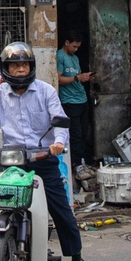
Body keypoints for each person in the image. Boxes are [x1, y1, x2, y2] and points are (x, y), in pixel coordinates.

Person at [0, 41, 92, 261]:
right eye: (15, 66)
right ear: (6, 69)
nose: (21, 70)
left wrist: (58, 143)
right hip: (11, 160)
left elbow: (60, 122)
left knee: (62, 210)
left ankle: (77, 260)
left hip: (42, 159)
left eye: (24, 65)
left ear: (31, 66)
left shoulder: (46, 91)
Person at [56, 35, 92, 165]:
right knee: (75, 135)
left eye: (78, 47)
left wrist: (85, 78)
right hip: (69, 101)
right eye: (74, 46)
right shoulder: (60, 56)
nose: (76, 49)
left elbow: (77, 77)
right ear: (66, 42)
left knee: (84, 134)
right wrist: (77, 78)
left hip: (82, 99)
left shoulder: (75, 58)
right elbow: (58, 79)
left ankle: (83, 161)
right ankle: (76, 164)